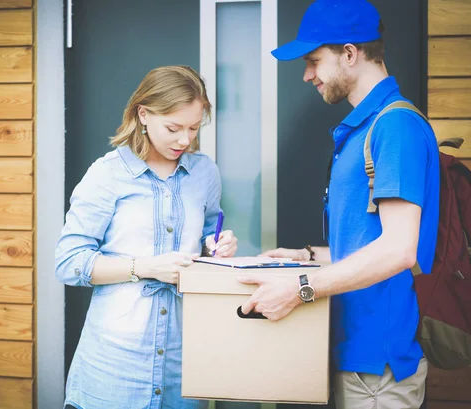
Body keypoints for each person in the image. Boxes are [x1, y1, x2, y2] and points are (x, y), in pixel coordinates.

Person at [238, 1, 439, 409]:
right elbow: (371, 241)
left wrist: (300, 290)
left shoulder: (394, 126)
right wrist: (308, 256)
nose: (307, 74)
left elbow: (399, 249)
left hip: (377, 370)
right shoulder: (364, 127)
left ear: (350, 53)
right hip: (353, 356)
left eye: (314, 60)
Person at [55, 65, 238, 409]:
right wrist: (145, 267)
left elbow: (206, 238)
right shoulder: (107, 174)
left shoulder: (204, 173)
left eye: (194, 128)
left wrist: (216, 246)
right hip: (115, 365)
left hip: (183, 363)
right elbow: (68, 263)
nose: (185, 140)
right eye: (173, 128)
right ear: (143, 114)